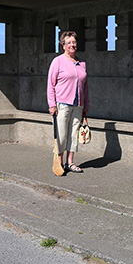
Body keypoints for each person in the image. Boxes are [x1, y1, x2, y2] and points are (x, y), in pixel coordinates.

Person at [47, 31, 89, 173]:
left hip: (78, 105)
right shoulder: (57, 61)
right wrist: (52, 104)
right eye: (69, 42)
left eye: (74, 42)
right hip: (62, 104)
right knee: (62, 135)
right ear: (63, 45)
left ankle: (70, 162)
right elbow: (50, 85)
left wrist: (86, 105)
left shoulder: (81, 63)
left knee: (73, 134)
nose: (72, 45)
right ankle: (59, 163)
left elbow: (85, 86)